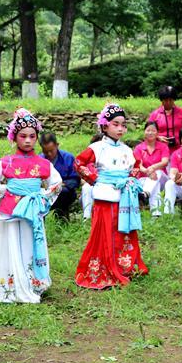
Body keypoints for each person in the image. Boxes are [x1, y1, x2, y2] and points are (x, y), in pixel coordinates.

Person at [0, 109, 62, 303]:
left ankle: (32, 283)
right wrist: (7, 191)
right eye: (22, 136)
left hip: (32, 211)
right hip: (11, 210)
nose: (27, 140)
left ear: (36, 138)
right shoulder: (6, 162)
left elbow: (56, 183)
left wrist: (41, 197)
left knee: (31, 243)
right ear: (14, 137)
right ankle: (8, 285)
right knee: (9, 243)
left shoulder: (43, 163)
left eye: (32, 136)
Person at [74, 103, 148, 289]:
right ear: (105, 126)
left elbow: (136, 166)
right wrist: (95, 178)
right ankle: (105, 266)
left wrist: (130, 179)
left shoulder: (127, 150)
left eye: (123, 124)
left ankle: (124, 265)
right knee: (106, 231)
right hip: (105, 196)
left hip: (124, 196)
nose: (121, 128)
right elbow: (79, 163)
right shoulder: (96, 147)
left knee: (124, 231)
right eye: (116, 124)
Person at [39, 131, 80, 219]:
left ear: (57, 145)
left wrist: (62, 184)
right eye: (46, 152)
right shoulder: (39, 160)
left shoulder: (68, 158)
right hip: (45, 192)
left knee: (63, 192)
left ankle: (61, 217)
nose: (49, 154)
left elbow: (76, 180)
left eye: (51, 151)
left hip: (64, 192)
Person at [133, 121, 170, 217]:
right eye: (148, 130)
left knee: (158, 173)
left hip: (162, 179)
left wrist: (152, 168)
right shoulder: (139, 148)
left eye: (153, 130)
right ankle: (156, 214)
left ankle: (144, 194)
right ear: (144, 132)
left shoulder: (163, 147)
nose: (150, 133)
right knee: (155, 183)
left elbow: (164, 162)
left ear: (157, 133)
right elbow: (138, 165)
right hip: (144, 179)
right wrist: (146, 171)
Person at [149, 85, 182, 149]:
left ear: (174, 99)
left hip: (180, 149)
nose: (168, 103)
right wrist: (158, 137)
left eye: (171, 100)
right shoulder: (155, 114)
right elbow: (149, 132)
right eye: (166, 100)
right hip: (160, 149)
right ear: (161, 100)